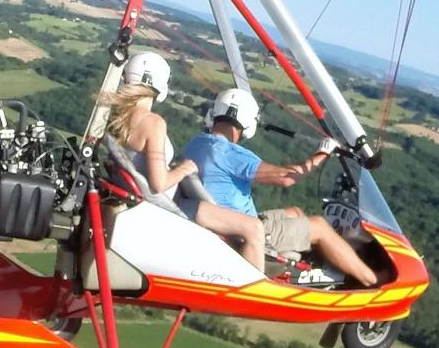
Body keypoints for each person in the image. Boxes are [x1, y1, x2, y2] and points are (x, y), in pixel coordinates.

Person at [182, 88, 379, 286]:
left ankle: (326, 266)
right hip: (245, 235)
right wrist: (323, 153)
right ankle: (372, 281)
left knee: (295, 212)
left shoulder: (198, 143)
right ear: (248, 124)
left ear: (214, 114)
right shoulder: (230, 153)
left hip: (228, 223)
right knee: (319, 226)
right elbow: (286, 178)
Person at [100, 52, 265, 256]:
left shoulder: (118, 118)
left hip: (156, 203)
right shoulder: (153, 123)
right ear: (161, 85)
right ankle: (254, 287)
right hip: (173, 207)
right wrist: (183, 168)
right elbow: (159, 184)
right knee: (254, 228)